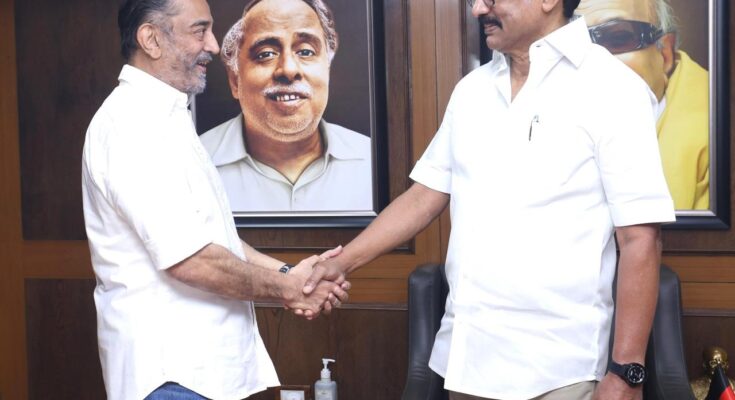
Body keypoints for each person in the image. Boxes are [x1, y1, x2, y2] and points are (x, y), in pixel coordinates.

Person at [302, 0, 676, 398]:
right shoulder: (472, 90)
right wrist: (340, 263)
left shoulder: (613, 89)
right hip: (467, 364)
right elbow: (425, 195)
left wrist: (626, 373)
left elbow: (640, 238)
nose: (478, 9)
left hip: (559, 371)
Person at [82, 1, 348, 399]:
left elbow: (210, 237)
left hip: (202, 375)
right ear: (151, 39)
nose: (212, 44)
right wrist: (288, 288)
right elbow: (191, 259)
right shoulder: (131, 125)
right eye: (199, 31)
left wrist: (289, 273)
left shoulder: (167, 118)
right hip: (172, 378)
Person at [199, 0, 373, 213]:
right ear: (235, 81)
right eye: (266, 54)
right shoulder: (192, 164)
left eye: (306, 52)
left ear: (327, 70)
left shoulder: (374, 163)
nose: (289, 70)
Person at [578, 0, 709, 210]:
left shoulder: (717, 138)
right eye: (571, 47)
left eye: (618, 39)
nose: (592, 64)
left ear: (665, 54)